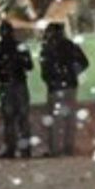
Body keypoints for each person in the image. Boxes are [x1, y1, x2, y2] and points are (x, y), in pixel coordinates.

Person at [39, 23, 90, 157]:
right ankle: (68, 147)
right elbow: (84, 62)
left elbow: (45, 68)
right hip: (70, 86)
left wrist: (50, 79)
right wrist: (72, 73)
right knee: (69, 119)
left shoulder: (48, 48)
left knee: (56, 120)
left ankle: (56, 149)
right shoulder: (70, 46)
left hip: (55, 87)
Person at [0, 20, 34, 158]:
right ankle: (24, 149)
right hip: (19, 83)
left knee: (9, 118)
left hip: (7, 84)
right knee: (22, 118)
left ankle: (12, 148)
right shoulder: (20, 46)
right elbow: (29, 65)